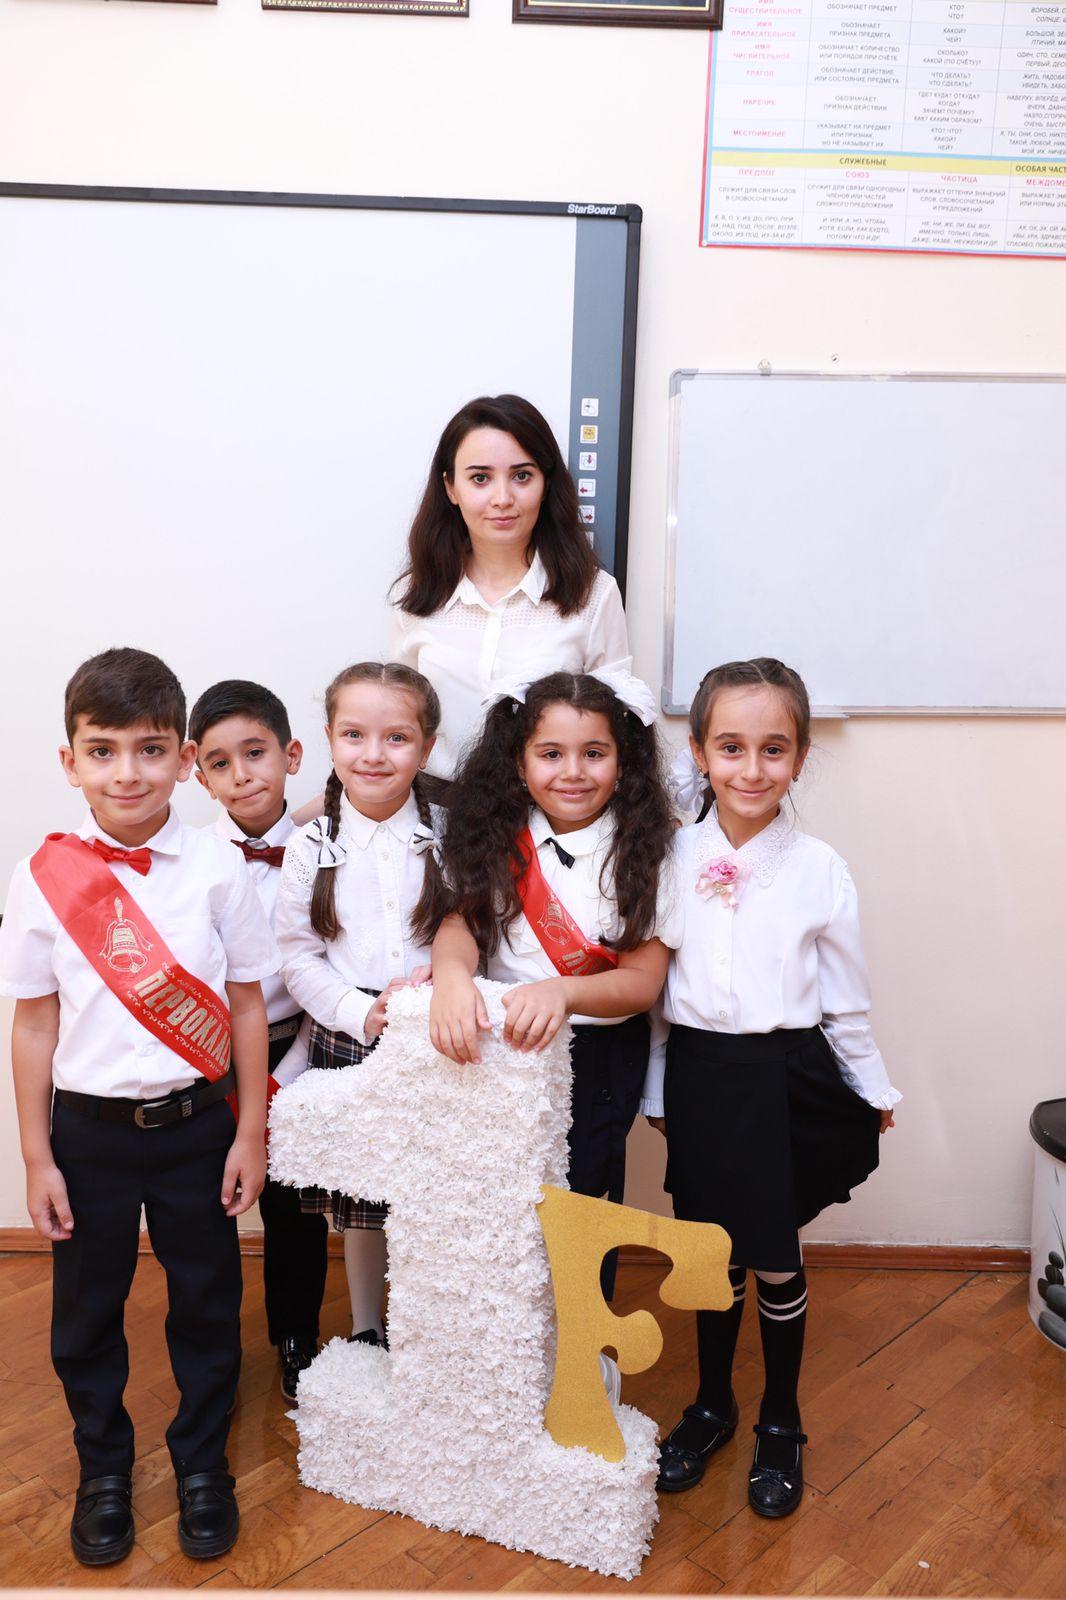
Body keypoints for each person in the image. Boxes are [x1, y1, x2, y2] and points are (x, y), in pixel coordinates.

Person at [0, 648, 276, 1565]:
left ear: (185, 759)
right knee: (87, 1312)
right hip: (88, 1134)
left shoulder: (217, 867)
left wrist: (249, 1131)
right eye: (103, 750)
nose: (128, 773)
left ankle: (203, 1464)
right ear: (69, 761)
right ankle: (104, 1470)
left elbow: (245, 1004)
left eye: (151, 750)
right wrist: (36, 1156)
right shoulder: (43, 875)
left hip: (198, 1126)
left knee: (206, 1300)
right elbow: (34, 1023)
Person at [644, 658, 900, 1518]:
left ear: (800, 756)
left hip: (784, 1078)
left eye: (773, 749)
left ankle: (781, 1420)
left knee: (775, 1252)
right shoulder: (669, 856)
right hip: (700, 1078)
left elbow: (846, 999)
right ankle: (712, 1405)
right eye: (731, 748)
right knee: (712, 1253)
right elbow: (657, 999)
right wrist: (657, 1093)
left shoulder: (821, 868)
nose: (751, 769)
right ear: (698, 752)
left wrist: (872, 1085)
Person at [424, 669, 678, 1299]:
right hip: (503, 1051)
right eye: (551, 754)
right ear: (519, 761)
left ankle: (586, 1345)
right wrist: (451, 975)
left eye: (594, 753)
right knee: (502, 1203)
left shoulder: (650, 851)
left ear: (623, 761)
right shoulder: (497, 839)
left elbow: (642, 982)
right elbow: (460, 924)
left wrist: (563, 992)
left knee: (584, 1202)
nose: (573, 772)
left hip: (598, 1056)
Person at [274, 662, 441, 1347]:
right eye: (354, 735)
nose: (373, 754)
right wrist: (358, 1011)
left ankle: (431, 1331)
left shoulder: (452, 833)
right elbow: (298, 957)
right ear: (328, 740)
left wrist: (443, 981)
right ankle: (368, 1328)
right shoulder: (309, 845)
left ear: (426, 747)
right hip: (351, 1033)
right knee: (366, 1198)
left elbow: (481, 929)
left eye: (396, 737)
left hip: (437, 1032)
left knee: (432, 1193)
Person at [189, 679, 328, 1406]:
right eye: (220, 763)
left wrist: (299, 1062)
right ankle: (211, 1350)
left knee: (293, 1207)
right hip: (207, 1053)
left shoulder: (324, 847)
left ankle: (296, 1337)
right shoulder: (190, 858)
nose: (241, 775)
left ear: (290, 755)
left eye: (256, 753)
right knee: (204, 1204)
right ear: (198, 774)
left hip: (294, 1047)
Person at [388, 394, 631, 789]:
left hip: (548, 811)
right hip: (435, 809)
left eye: (521, 476)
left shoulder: (593, 594)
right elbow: (396, 722)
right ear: (451, 487)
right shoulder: (414, 594)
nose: (502, 499)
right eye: (480, 478)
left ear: (546, 483)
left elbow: (616, 730)